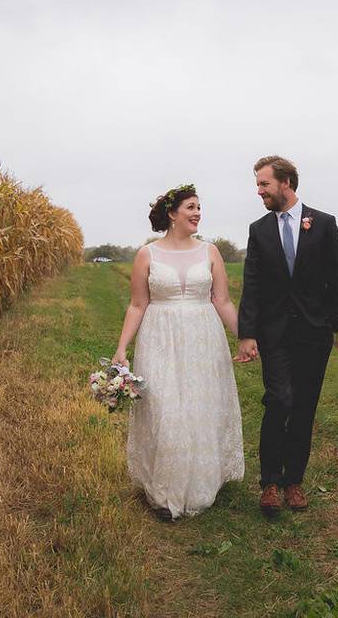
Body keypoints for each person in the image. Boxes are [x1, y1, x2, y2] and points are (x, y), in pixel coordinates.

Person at [112, 184, 244, 520]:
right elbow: (138, 303)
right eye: (190, 207)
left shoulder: (210, 252)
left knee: (201, 407)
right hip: (160, 337)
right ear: (172, 214)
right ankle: (166, 492)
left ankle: (200, 482)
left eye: (199, 207)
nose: (198, 212)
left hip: (203, 338)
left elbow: (223, 301)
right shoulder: (148, 254)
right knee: (165, 407)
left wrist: (246, 337)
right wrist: (122, 348)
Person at [235, 156, 338, 515]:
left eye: (264, 184)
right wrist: (247, 333)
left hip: (314, 333)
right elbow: (251, 283)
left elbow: (336, 275)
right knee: (279, 399)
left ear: (286, 183)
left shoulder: (324, 224)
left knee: (303, 407)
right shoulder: (259, 230)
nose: (259, 191)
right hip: (275, 332)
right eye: (258, 184)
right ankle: (269, 482)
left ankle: (294, 482)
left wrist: (332, 322)